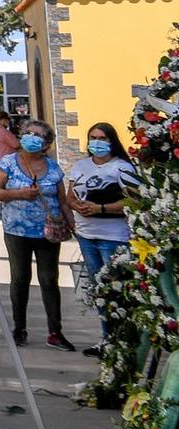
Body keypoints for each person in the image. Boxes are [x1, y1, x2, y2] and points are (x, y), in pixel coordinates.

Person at [0, 119, 73, 350]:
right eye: (28, 133)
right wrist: (19, 194)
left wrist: (74, 226)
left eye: (38, 135)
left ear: (46, 144)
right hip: (16, 230)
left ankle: (55, 331)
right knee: (20, 278)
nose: (32, 137)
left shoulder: (53, 168)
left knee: (48, 279)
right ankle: (19, 328)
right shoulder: (8, 163)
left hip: (48, 231)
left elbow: (62, 201)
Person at [64, 121, 140, 354]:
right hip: (87, 234)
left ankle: (123, 340)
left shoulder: (122, 167)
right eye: (93, 138)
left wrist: (102, 208)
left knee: (115, 288)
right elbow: (70, 196)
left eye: (102, 138)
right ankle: (107, 338)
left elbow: (134, 200)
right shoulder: (81, 166)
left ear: (111, 141)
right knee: (99, 288)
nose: (96, 142)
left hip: (113, 236)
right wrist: (79, 206)